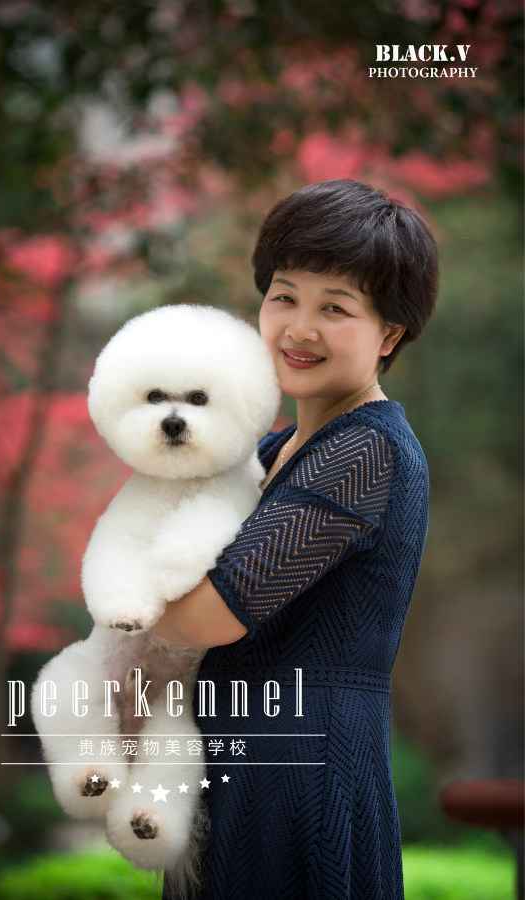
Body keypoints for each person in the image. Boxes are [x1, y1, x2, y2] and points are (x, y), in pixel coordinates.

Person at [150, 178, 438, 900]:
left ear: (390, 334)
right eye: (285, 296)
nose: (298, 328)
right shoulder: (271, 449)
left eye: (334, 308)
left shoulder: (367, 449)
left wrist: (131, 577)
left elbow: (205, 616)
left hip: (304, 776)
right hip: (235, 756)